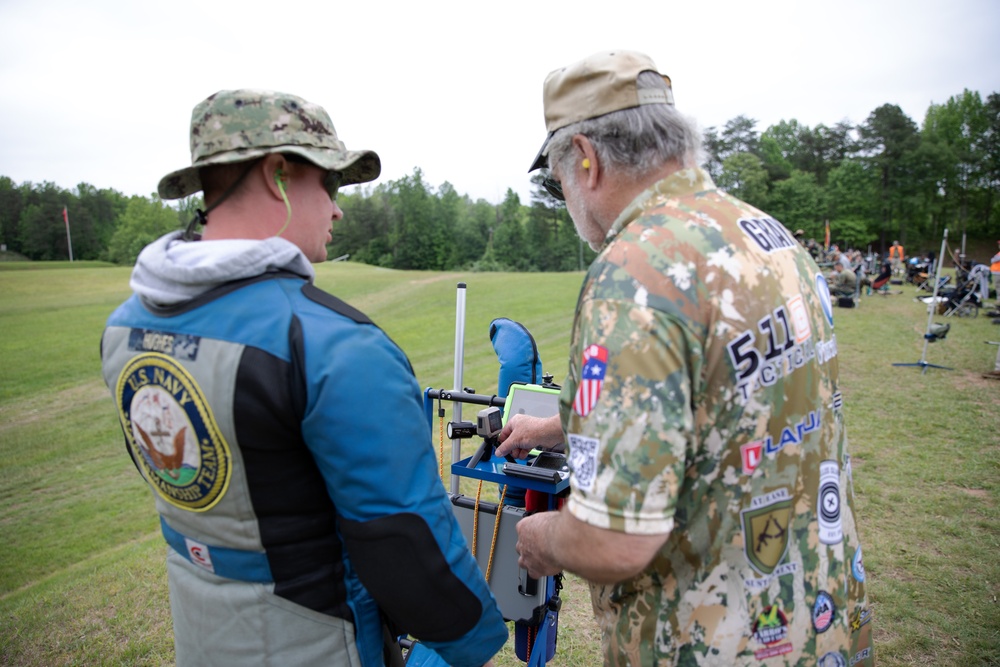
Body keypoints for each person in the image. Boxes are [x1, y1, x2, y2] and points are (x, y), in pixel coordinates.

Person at [100, 89, 506, 667]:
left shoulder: (125, 328)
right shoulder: (333, 345)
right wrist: (477, 641)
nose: (338, 208)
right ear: (279, 175)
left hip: (203, 635)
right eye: (331, 184)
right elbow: (403, 543)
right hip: (321, 644)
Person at [497, 51, 872, 666]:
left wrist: (545, 539)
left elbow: (615, 541)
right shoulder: (769, 237)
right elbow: (718, 390)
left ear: (585, 160)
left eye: (559, 176)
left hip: (708, 639)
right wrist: (559, 427)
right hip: (819, 617)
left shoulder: (633, 275)